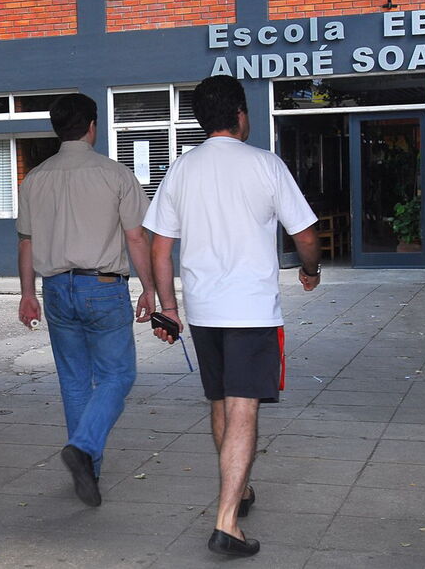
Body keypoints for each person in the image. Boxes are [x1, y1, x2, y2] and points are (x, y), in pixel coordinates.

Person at [142, 75, 321, 557]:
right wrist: (311, 269)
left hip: (203, 311)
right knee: (244, 407)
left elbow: (161, 247)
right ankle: (226, 525)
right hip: (250, 310)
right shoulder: (265, 165)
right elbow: (304, 233)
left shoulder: (181, 168)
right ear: (241, 114)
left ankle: (238, 492)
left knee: (221, 404)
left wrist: (169, 308)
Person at [16, 93, 156, 507]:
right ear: (92, 126)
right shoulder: (115, 175)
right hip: (103, 287)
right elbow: (136, 236)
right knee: (118, 376)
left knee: (75, 381)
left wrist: (27, 293)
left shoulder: (34, 178)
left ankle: (88, 472)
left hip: (56, 288)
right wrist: (150, 289)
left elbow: (26, 243)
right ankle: (84, 448)